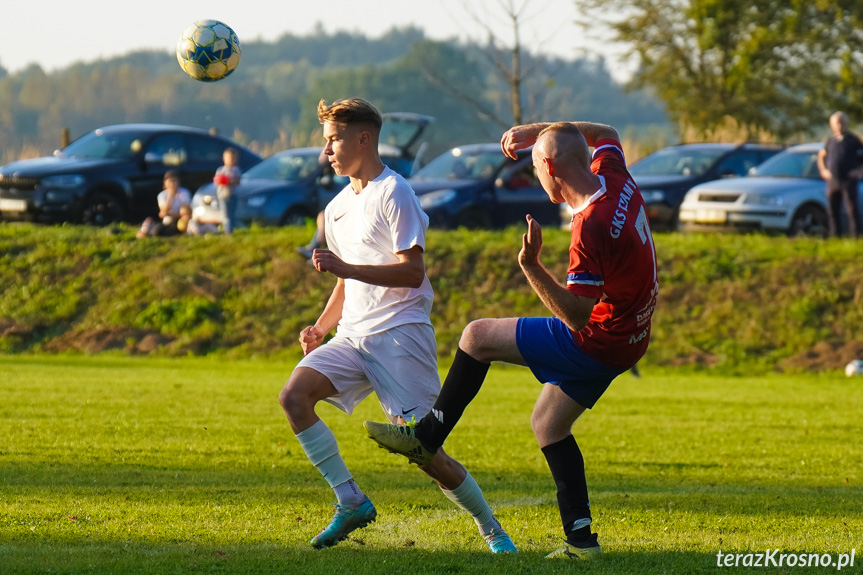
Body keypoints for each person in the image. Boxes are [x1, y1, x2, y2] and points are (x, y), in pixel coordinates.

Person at [365, 120, 659, 560]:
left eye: (535, 166)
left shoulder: (591, 226)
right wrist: (534, 131)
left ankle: (426, 435)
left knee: (477, 336)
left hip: (599, 338)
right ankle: (582, 542)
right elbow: (608, 131)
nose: (535, 177)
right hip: (632, 336)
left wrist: (532, 266)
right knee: (548, 425)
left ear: (550, 165)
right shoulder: (615, 177)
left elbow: (577, 317)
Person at [277, 98, 516, 553]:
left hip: (399, 336)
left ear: (363, 138)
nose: (326, 151)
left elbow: (411, 273)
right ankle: (350, 501)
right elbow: (348, 281)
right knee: (294, 395)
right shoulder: (335, 208)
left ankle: (492, 529)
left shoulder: (395, 192)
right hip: (351, 337)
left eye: (333, 140)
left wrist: (346, 265)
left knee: (425, 453)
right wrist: (321, 326)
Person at [816, 111, 862, 238]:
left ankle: (855, 237)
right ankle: (835, 236)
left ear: (846, 124)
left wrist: (859, 171)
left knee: (852, 210)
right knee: (832, 210)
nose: (839, 125)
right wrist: (823, 170)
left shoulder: (853, 140)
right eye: (837, 123)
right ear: (832, 125)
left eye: (842, 122)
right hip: (833, 181)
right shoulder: (830, 141)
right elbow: (821, 156)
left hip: (848, 180)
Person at [136, 170, 191, 238]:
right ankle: (144, 231)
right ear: (165, 183)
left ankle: (149, 233)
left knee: (168, 231)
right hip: (166, 221)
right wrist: (171, 196)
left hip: (179, 220)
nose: (172, 184)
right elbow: (163, 213)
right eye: (170, 181)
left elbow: (186, 212)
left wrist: (171, 215)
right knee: (153, 224)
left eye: (174, 181)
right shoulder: (162, 195)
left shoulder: (184, 193)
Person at [214, 147, 242, 234]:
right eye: (228, 158)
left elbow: (237, 181)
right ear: (223, 158)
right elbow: (216, 181)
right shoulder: (220, 170)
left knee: (231, 213)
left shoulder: (236, 170)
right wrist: (220, 180)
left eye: (232, 158)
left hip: (232, 195)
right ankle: (228, 230)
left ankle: (230, 229)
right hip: (222, 195)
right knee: (225, 213)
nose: (230, 160)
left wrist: (229, 181)